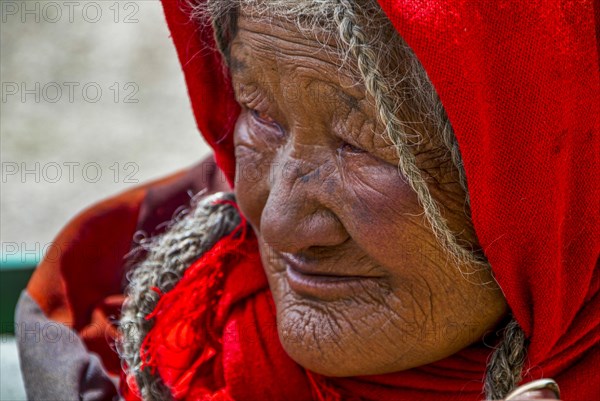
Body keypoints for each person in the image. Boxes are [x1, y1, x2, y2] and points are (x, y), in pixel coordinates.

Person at [16, 0, 598, 400]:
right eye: (261, 114)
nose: (279, 222)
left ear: (552, 174)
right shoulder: (118, 328)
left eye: (364, 145)